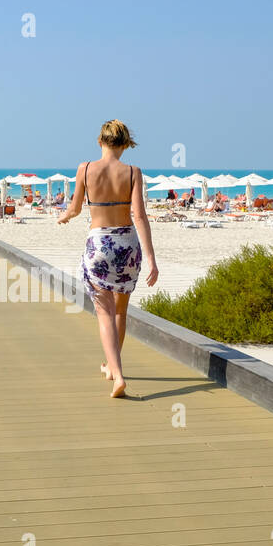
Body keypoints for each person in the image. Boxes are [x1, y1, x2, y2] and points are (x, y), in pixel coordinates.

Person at [57, 119, 158, 398]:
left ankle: (118, 375)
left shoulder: (85, 169)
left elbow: (76, 208)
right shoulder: (133, 172)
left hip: (99, 244)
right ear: (125, 144)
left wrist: (64, 216)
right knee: (120, 312)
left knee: (103, 313)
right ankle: (112, 368)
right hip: (127, 246)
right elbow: (139, 216)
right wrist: (151, 258)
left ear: (100, 141)